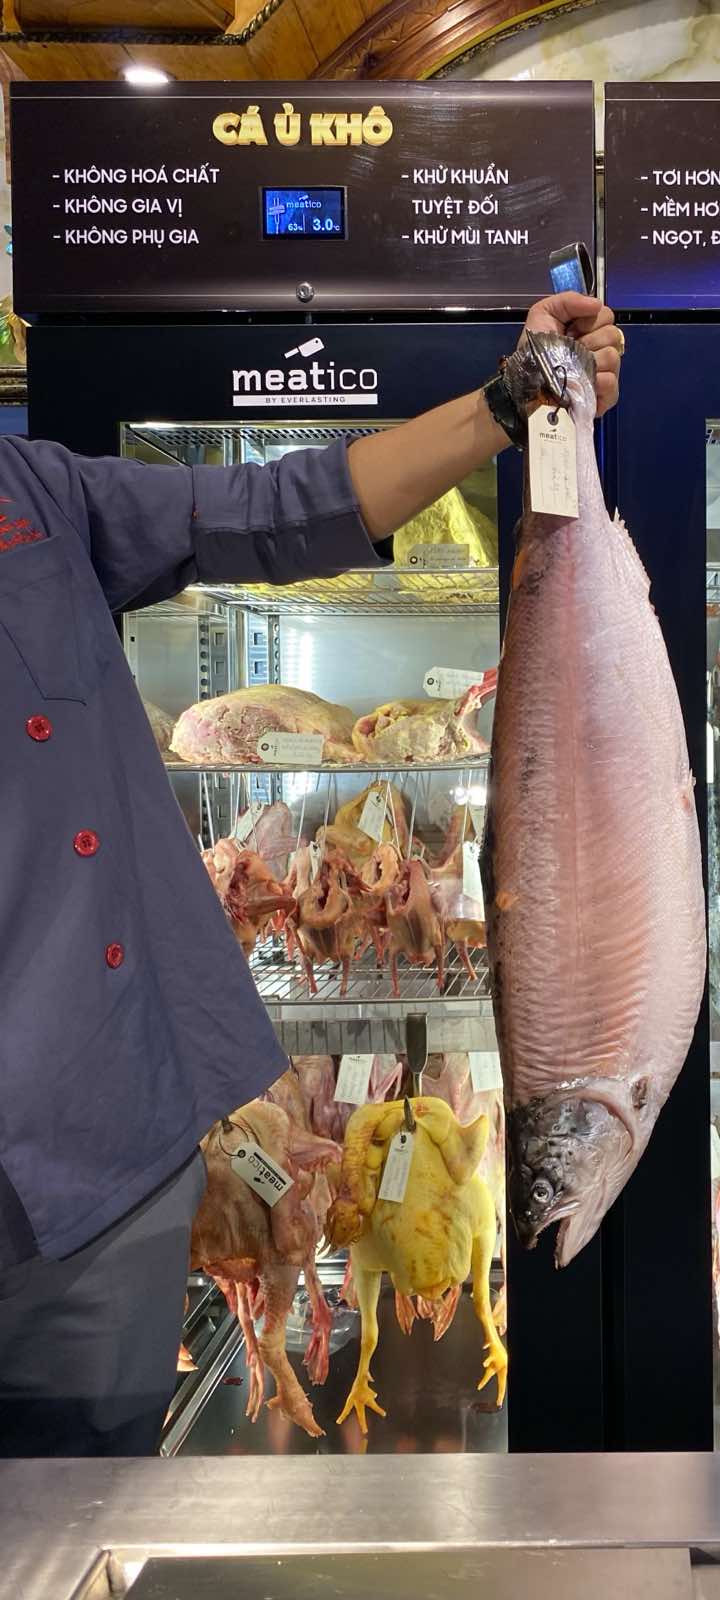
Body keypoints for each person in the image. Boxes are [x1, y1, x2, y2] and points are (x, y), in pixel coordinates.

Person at [0, 291, 622, 1457]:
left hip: (107, 1158)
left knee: (87, 1498)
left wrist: (509, 402)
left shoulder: (28, 493)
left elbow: (267, 509)